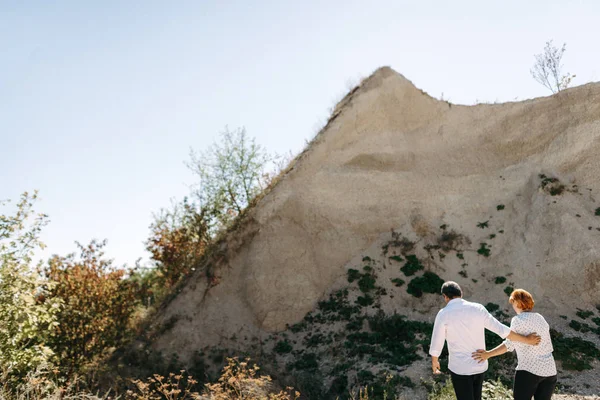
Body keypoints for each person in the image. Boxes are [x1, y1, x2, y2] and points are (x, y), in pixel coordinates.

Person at [429, 281, 541, 400]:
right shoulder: (478, 308)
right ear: (461, 293)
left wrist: (435, 361)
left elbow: (437, 340)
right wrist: (526, 339)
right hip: (479, 365)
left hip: (460, 368)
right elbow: (501, 329)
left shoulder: (443, 314)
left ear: (445, 297)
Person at [472, 289, 557, 400]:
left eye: (513, 303)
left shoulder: (518, 320)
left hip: (529, 370)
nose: (513, 306)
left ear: (517, 303)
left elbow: (509, 345)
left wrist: (488, 354)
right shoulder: (540, 318)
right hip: (550, 371)